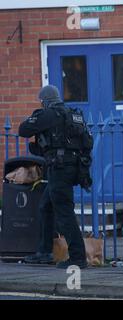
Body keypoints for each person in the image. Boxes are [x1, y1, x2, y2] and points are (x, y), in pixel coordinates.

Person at [18, 85, 91, 269]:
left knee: (65, 213)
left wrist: (35, 116)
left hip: (59, 169)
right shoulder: (73, 114)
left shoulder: (49, 114)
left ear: (45, 101)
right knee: (46, 207)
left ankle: (78, 258)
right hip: (72, 168)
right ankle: (44, 252)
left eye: (41, 102)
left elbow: (23, 130)